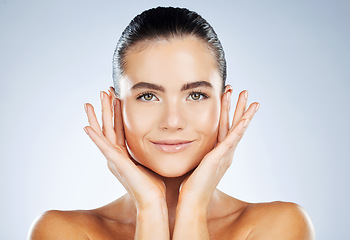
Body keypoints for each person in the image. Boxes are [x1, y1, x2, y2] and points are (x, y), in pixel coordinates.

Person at [28, 6, 315, 240]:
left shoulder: (279, 226)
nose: (173, 121)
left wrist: (193, 206)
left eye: (196, 95)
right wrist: (150, 207)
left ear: (223, 103)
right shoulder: (61, 232)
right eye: (149, 95)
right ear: (116, 108)